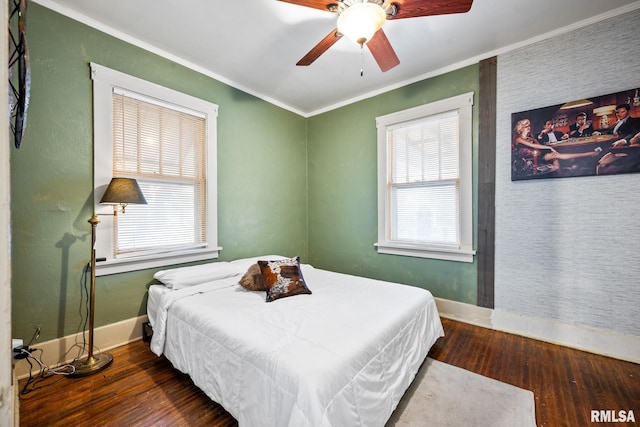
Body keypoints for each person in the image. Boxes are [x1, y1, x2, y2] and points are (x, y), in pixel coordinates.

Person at [513, 118, 599, 177]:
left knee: (557, 156)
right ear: (521, 128)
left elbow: (540, 146)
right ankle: (590, 154)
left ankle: (589, 154)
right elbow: (533, 146)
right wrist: (549, 148)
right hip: (527, 162)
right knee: (557, 156)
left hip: (538, 157)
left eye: (529, 126)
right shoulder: (518, 139)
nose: (528, 128)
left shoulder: (531, 137)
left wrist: (547, 148)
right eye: (526, 126)